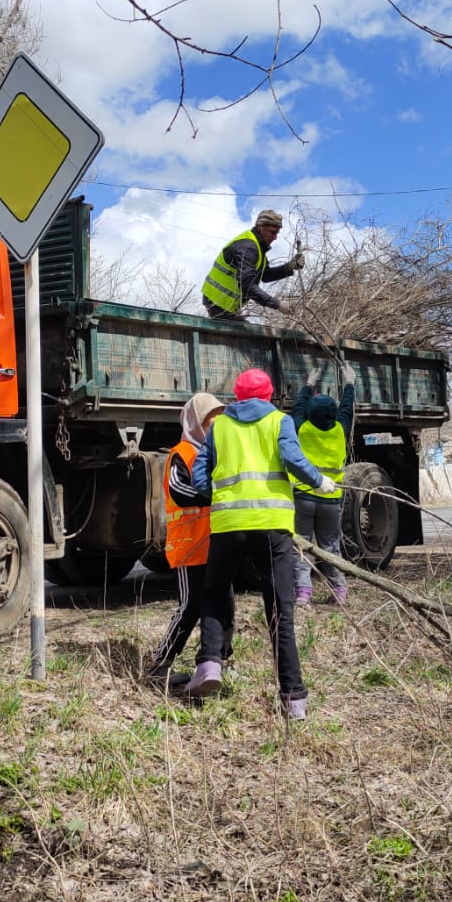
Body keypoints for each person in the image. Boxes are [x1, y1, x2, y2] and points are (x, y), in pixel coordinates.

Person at [184, 368, 337, 719]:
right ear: (269, 395)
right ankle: (293, 697)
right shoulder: (279, 421)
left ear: (236, 397)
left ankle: (209, 663)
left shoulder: (220, 425)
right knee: (280, 611)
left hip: (228, 525)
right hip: (271, 528)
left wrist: (215, 495)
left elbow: (200, 470)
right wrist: (320, 482)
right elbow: (294, 461)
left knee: (214, 595)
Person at [146, 392, 228, 686]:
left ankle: (218, 663)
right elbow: (180, 492)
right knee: (190, 605)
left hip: (215, 544)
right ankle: (160, 665)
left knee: (224, 603)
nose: (216, 426)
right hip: (189, 546)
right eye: (210, 421)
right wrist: (216, 496)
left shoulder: (218, 453)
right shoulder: (181, 454)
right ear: (196, 423)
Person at [291, 362, 355, 607]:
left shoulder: (302, 428)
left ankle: (303, 593)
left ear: (309, 414)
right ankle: (339, 589)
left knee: (302, 545)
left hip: (304, 497)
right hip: (331, 500)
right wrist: (349, 382)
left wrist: (309, 383)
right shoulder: (340, 429)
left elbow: (298, 406)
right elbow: (347, 407)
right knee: (330, 546)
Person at [201, 210, 303, 319]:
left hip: (223, 304)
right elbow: (247, 286)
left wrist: (289, 267)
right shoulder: (248, 247)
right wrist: (276, 304)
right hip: (217, 302)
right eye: (272, 232)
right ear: (261, 227)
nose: (275, 237)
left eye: (277, 233)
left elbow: (265, 275)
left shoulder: (257, 247)